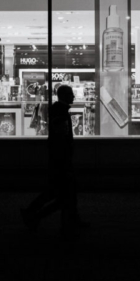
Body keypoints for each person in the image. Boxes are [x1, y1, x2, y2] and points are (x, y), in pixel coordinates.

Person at [21, 85, 88, 239]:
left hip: (59, 159)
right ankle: (37, 216)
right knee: (63, 195)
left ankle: (34, 214)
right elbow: (61, 138)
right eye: (71, 94)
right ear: (64, 96)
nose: (73, 97)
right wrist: (66, 158)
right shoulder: (61, 113)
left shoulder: (59, 111)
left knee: (58, 192)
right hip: (61, 160)